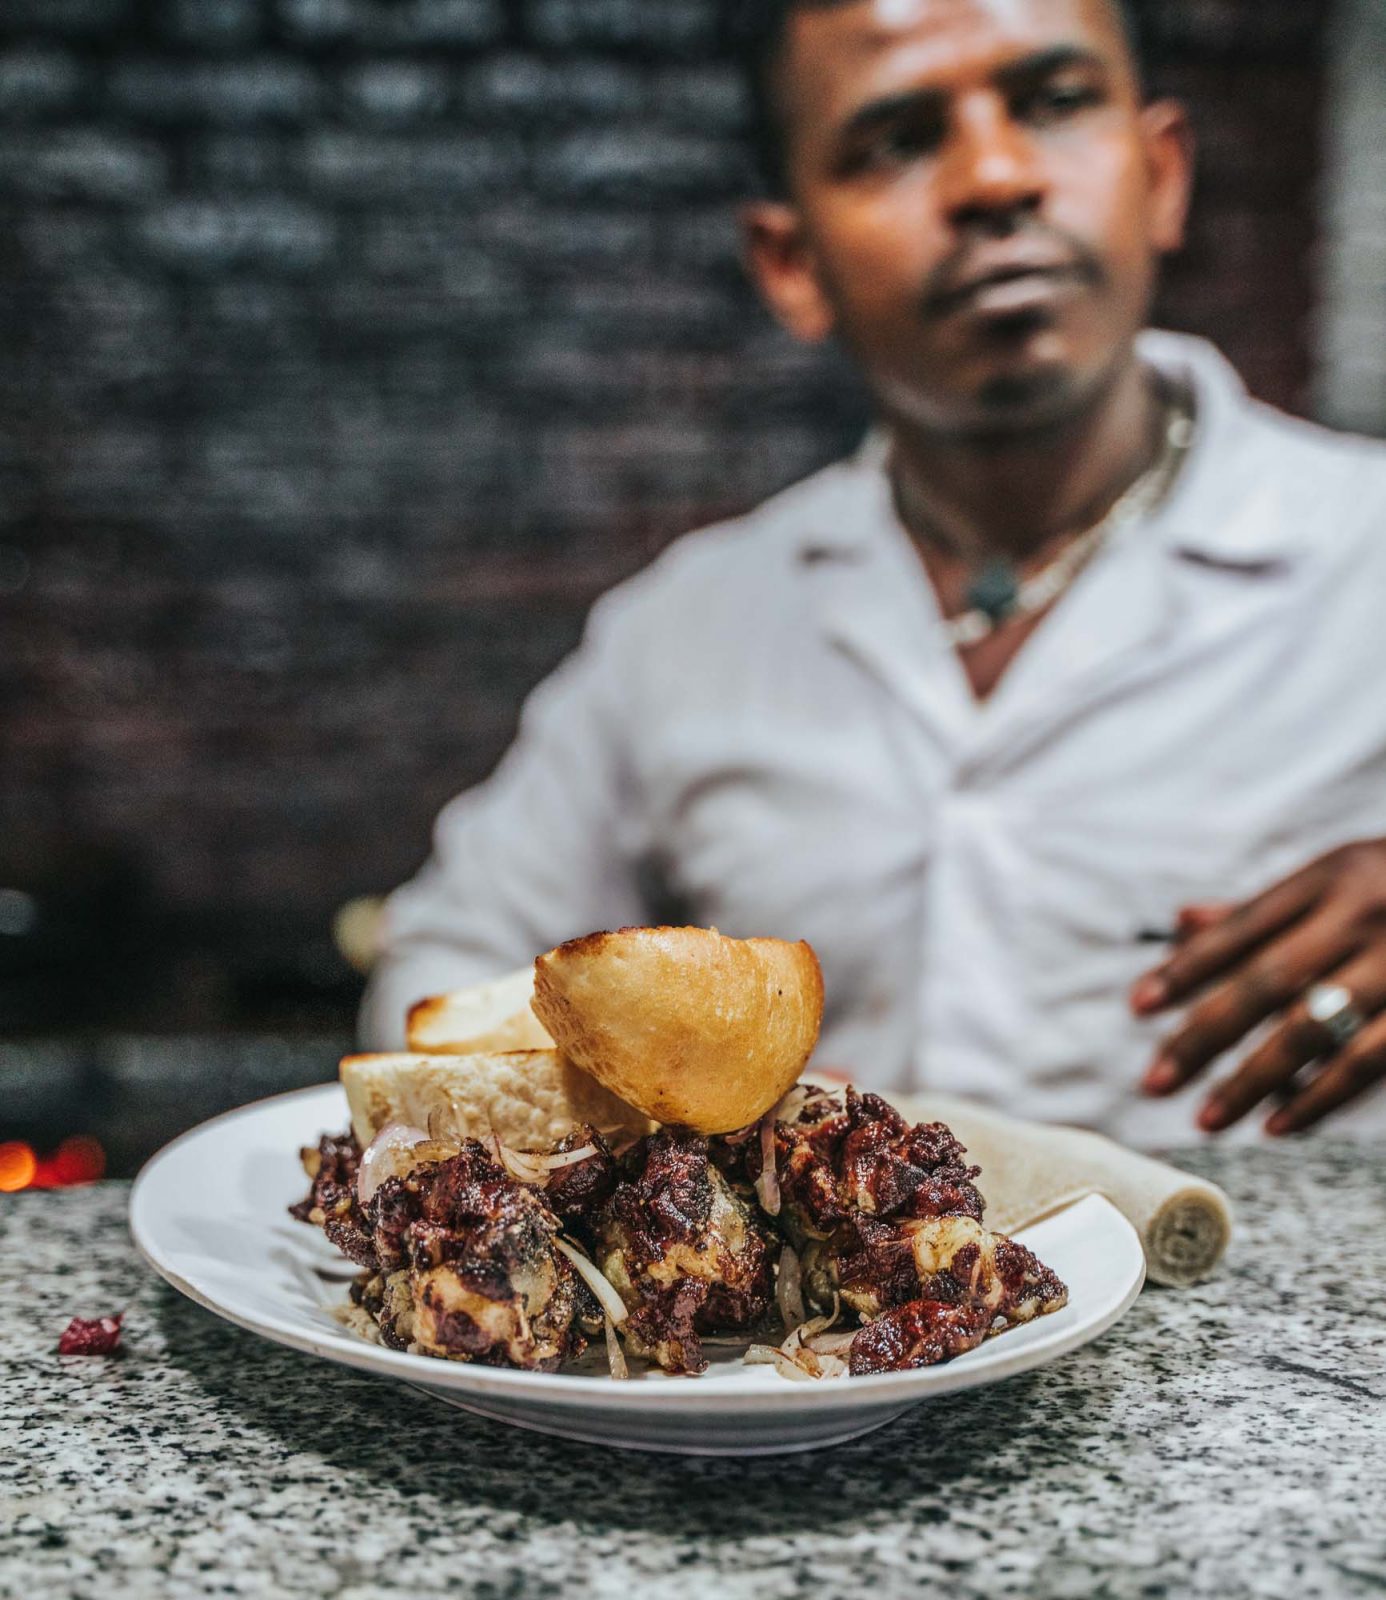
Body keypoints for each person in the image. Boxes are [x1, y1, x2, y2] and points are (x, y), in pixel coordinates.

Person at [362, 0, 1386, 1147]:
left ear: (1161, 174)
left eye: (1053, 102)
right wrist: (661, 1139)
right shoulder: (687, 628)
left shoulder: (1366, 550)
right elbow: (451, 966)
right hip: (831, 1327)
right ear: (792, 262)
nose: (995, 178)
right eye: (897, 139)